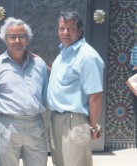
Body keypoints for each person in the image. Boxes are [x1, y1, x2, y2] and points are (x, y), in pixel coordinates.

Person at [47, 10, 105, 166]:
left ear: (79, 31)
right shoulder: (63, 53)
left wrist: (94, 128)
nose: (65, 33)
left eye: (71, 29)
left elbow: (95, 95)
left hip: (74, 122)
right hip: (56, 120)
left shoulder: (87, 56)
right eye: (62, 28)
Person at [0, 17, 48, 166]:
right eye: (12, 37)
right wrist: (0, 115)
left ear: (27, 39)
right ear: (5, 39)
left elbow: (45, 94)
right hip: (8, 126)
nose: (17, 41)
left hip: (36, 125)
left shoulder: (39, 64)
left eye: (21, 36)